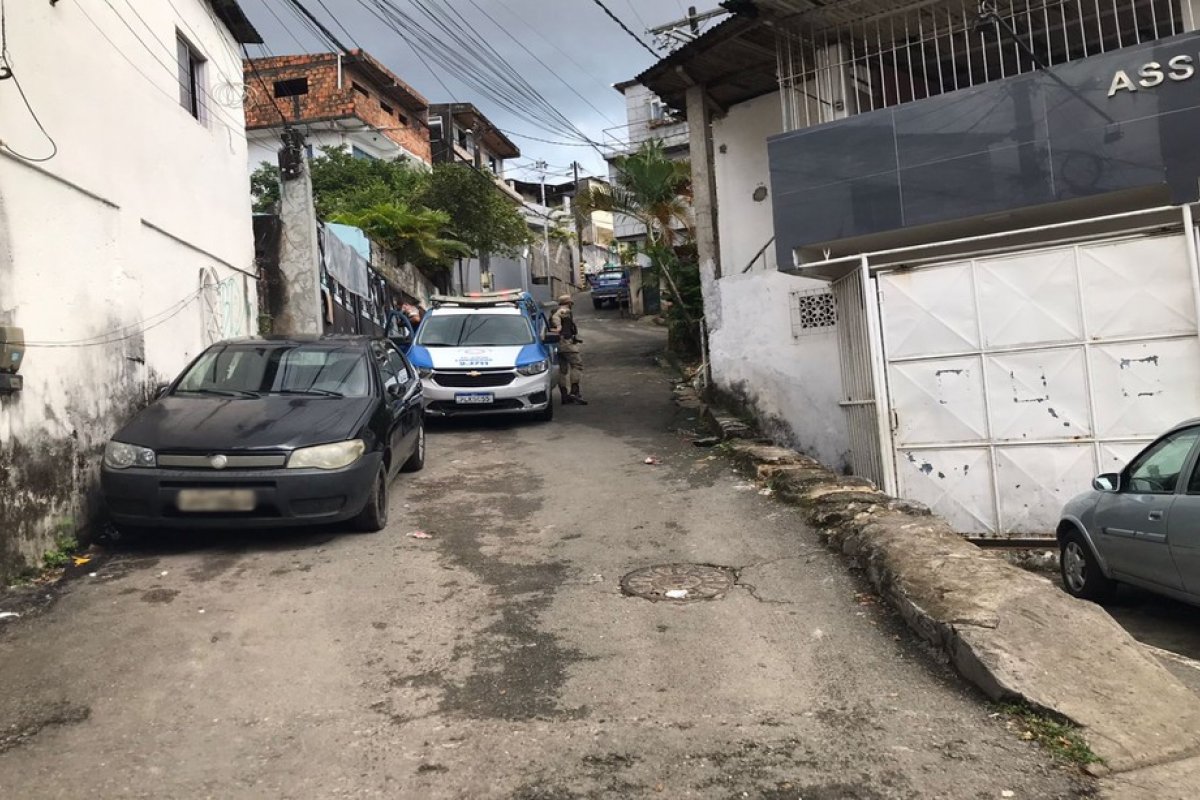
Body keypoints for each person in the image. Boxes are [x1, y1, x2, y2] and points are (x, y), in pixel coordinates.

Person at [549, 293, 586, 405]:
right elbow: (557, 319)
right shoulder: (563, 311)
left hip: (556, 344)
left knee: (562, 370)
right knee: (577, 365)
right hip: (566, 343)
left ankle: (564, 395)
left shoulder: (553, 312)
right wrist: (559, 327)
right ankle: (574, 392)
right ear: (569, 303)